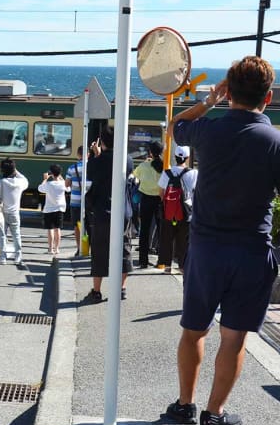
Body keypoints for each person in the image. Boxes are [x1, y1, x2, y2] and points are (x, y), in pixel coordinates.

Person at [163, 56, 280, 425]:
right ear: (269, 98)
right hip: (251, 253)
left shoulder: (209, 131)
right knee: (234, 335)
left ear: (229, 93)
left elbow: (176, 124)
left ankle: (183, 405)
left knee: (194, 329)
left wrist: (209, 100)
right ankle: (214, 412)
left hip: (206, 249)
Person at [81, 126, 134, 303]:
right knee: (124, 249)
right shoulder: (127, 159)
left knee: (100, 250)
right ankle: (122, 289)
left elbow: (93, 175)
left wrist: (96, 155)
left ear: (101, 142)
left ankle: (96, 291)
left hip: (103, 211)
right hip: (123, 212)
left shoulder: (98, 160)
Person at [156, 145, 198, 272]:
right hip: (186, 211)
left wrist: (169, 204)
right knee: (183, 240)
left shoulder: (167, 172)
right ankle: (182, 266)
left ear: (174, 157)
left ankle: (167, 266)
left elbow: (161, 193)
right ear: (187, 157)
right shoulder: (194, 173)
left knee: (166, 237)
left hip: (169, 212)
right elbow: (195, 192)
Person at [0, 158, 28, 266]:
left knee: (2, 235)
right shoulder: (20, 182)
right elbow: (25, 179)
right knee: (16, 234)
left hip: (1, 213)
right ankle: (18, 257)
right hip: (14, 213)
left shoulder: (0, 182)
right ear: (13, 169)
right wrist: (15, 170)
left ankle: (3, 258)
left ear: (2, 170)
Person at [132, 140, 164, 268]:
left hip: (145, 199)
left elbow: (135, 176)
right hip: (160, 200)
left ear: (150, 152)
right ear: (162, 152)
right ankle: (161, 260)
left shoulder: (144, 166)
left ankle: (143, 261)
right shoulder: (165, 165)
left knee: (144, 231)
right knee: (161, 231)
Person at [38, 163, 69, 255]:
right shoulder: (62, 184)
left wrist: (44, 179)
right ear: (59, 173)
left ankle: (50, 249)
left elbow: (40, 188)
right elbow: (68, 189)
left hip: (49, 209)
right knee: (57, 229)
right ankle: (57, 249)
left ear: (51, 173)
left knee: (50, 229)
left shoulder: (48, 184)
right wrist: (61, 177)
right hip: (60, 209)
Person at [65, 146, 85, 257]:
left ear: (78, 155)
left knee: (77, 226)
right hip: (90, 201)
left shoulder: (72, 168)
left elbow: (67, 184)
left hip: (76, 201)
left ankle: (79, 249)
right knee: (89, 225)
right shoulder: (92, 166)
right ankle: (88, 248)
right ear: (88, 154)